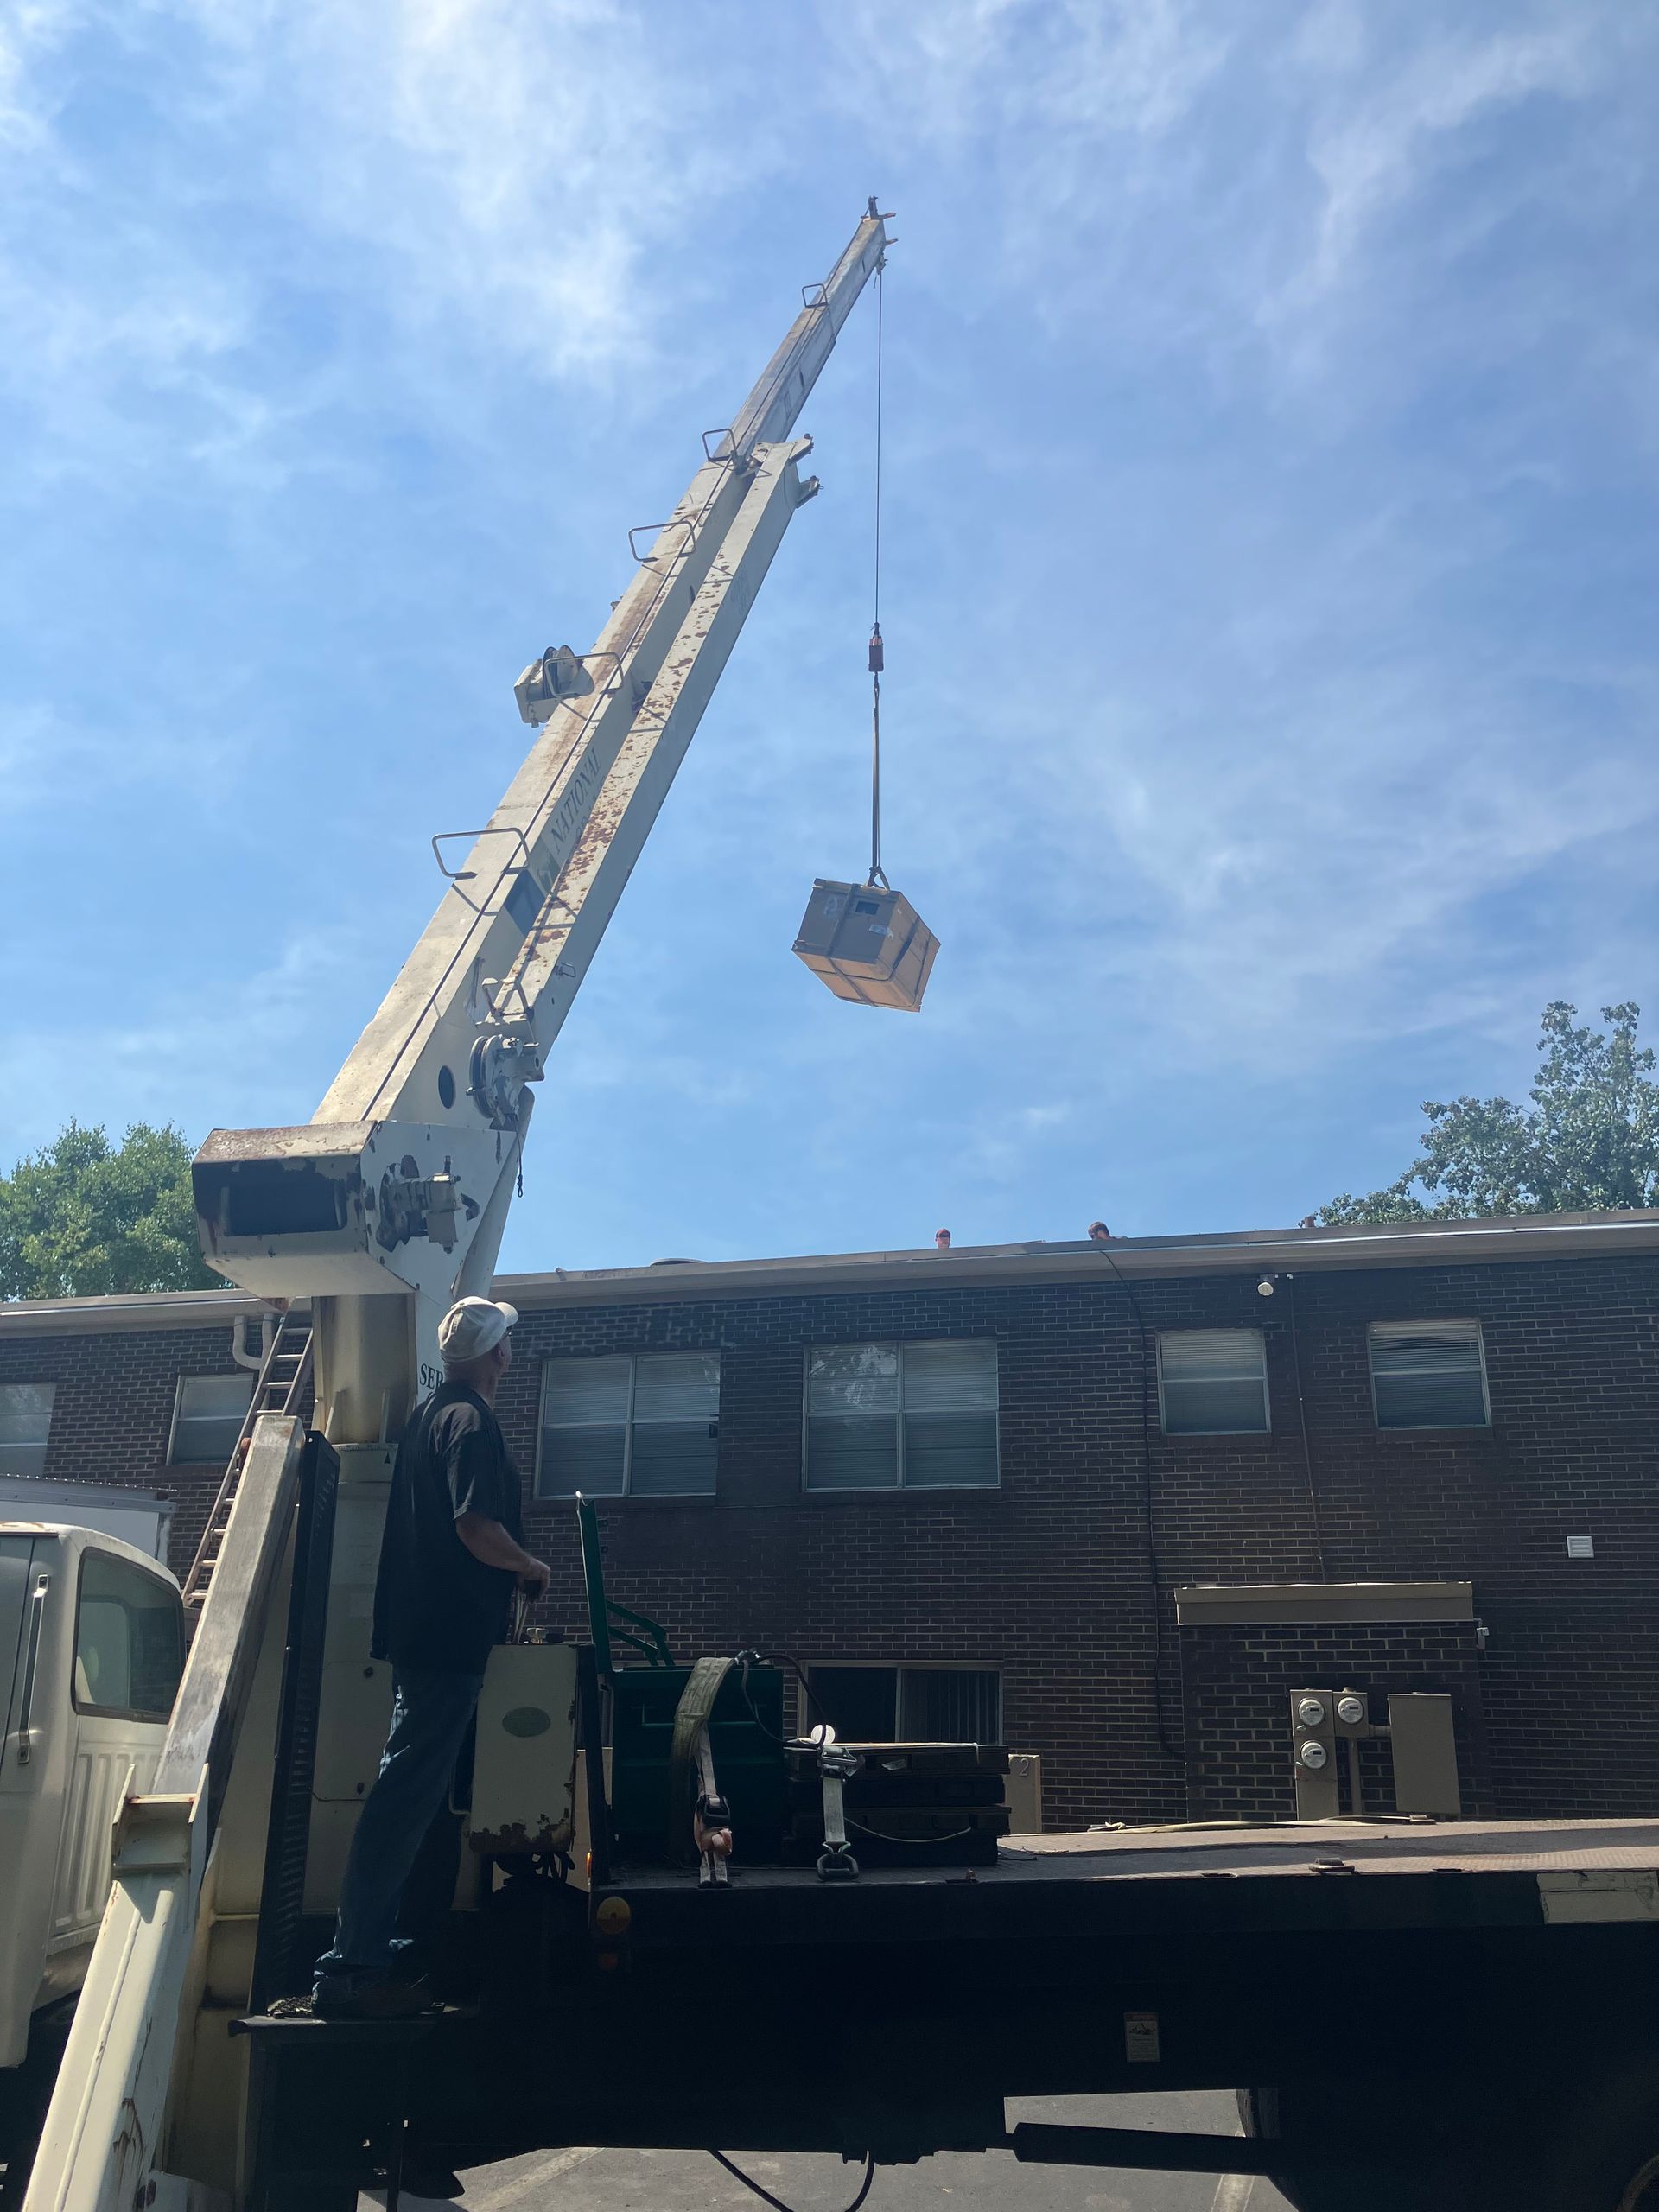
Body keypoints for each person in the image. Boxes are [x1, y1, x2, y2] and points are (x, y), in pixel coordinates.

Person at [313, 1295, 551, 2018]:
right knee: (404, 1798)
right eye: (507, 1343)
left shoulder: (427, 1417)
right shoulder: (471, 1424)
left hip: (423, 1633)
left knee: (419, 1798)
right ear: (498, 1355)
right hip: (449, 1640)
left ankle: (392, 1954)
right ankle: (352, 1969)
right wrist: (529, 1568)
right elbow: (476, 1526)